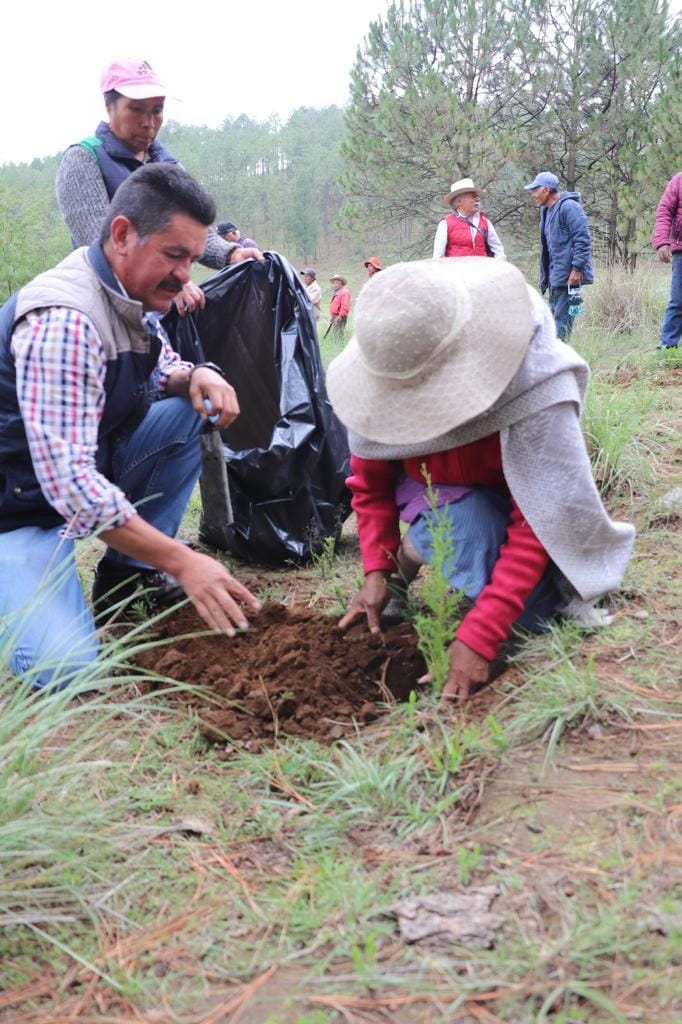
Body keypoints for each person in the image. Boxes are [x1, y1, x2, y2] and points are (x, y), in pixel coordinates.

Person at [0, 163, 262, 691]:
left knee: (190, 406)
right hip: (17, 507)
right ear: (122, 234)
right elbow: (71, 487)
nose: (186, 274)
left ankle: (127, 579)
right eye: (174, 254)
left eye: (192, 258)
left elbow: (160, 366)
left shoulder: (129, 293)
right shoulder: (66, 320)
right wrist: (182, 559)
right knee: (65, 671)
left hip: (67, 482)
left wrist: (198, 373)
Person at [326, 258, 634, 703]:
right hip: (439, 490)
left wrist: (481, 634)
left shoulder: (533, 380)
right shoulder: (388, 364)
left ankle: (426, 544)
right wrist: (378, 571)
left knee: (541, 616)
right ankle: (416, 549)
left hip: (521, 496)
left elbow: (537, 514)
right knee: (489, 560)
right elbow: (371, 487)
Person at [56, 59, 263, 316]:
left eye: (157, 110)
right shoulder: (84, 158)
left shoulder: (168, 164)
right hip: (102, 305)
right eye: (137, 109)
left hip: (151, 306)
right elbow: (100, 241)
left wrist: (232, 254)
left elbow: (196, 230)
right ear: (109, 106)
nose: (148, 122)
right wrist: (169, 281)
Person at [524, 171, 594, 342]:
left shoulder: (569, 207)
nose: (533, 195)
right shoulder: (546, 211)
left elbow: (583, 239)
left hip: (569, 277)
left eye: (536, 190)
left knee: (561, 324)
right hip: (555, 277)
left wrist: (577, 269)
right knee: (553, 322)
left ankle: (561, 363)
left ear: (546, 190)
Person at [433, 178, 506, 260]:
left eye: (477, 196)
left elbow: (498, 250)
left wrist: (496, 269)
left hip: (483, 271)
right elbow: (438, 257)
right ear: (459, 202)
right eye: (473, 196)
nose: (477, 199)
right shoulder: (445, 224)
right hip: (456, 272)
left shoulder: (485, 222)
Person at [652, 171, 682, 351]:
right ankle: (667, 347)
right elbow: (664, 210)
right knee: (678, 302)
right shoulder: (679, 180)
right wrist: (662, 242)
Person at [329, 274, 351, 339]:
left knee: (339, 334)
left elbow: (345, 306)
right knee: (336, 333)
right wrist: (332, 316)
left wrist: (340, 316)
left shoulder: (345, 292)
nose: (335, 284)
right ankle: (337, 346)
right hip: (335, 316)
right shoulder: (336, 292)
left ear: (341, 283)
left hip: (340, 316)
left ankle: (339, 346)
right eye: (334, 283)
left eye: (337, 283)